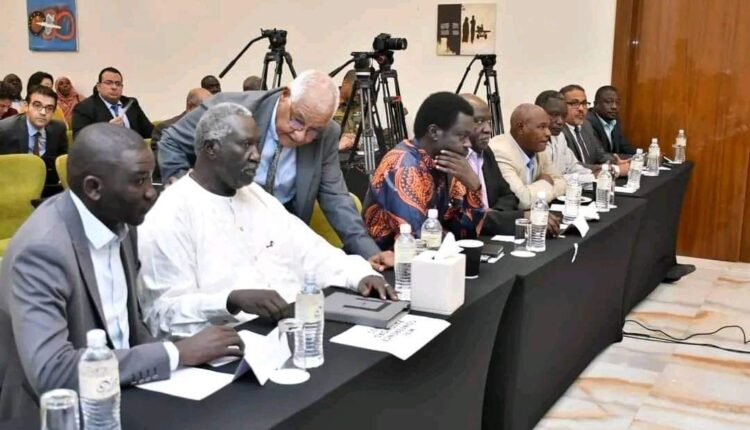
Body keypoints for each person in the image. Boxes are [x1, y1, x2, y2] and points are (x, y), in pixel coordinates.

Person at [0, 123, 245, 420]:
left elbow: (127, 328)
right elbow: (53, 373)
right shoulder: (42, 251)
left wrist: (179, 358)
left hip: (121, 392)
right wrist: (176, 353)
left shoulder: (121, 218)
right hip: (59, 415)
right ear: (93, 188)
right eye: (139, 181)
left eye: (151, 178)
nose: (151, 192)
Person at [138, 103, 396, 339]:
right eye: (245, 145)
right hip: (233, 347)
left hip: (298, 328)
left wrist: (360, 275)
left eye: (257, 145)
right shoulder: (170, 214)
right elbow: (162, 315)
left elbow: (312, 252)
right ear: (211, 149)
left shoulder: (255, 195)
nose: (256, 155)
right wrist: (230, 301)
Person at [158, 70, 392, 270]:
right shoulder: (231, 111)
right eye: (297, 121)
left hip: (278, 245)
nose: (301, 136)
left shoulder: (327, 133)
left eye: (313, 131)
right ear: (285, 95)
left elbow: (335, 196)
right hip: (219, 234)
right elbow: (171, 141)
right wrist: (186, 193)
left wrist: (369, 252)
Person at [364, 92, 485, 249]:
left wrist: (474, 186)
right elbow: (418, 239)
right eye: (462, 136)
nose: (468, 144)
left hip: (434, 258)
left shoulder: (446, 161)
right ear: (434, 132)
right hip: (390, 259)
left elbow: (466, 233)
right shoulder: (403, 166)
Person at [460, 94, 530, 236]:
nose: (488, 129)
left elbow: (508, 196)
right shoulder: (446, 160)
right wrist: (519, 218)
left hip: (491, 234)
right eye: (479, 121)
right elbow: (460, 218)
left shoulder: (486, 152)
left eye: (489, 122)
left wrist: (495, 216)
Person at [488, 104, 566, 210]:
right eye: (541, 127)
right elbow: (521, 200)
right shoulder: (501, 151)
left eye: (547, 127)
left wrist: (532, 192)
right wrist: (546, 182)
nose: (548, 133)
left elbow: (562, 182)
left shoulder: (539, 149)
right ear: (521, 128)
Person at [0, 85, 68, 188]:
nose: (43, 112)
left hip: (49, 187)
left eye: (49, 108)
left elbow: (63, 160)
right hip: (14, 186)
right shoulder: (5, 129)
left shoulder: (58, 128)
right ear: (26, 106)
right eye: (37, 105)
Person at [559, 84, 629, 177]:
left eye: (584, 103)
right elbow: (573, 166)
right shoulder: (559, 132)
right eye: (574, 104)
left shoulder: (586, 125)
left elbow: (600, 153)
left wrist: (615, 161)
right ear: (561, 106)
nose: (581, 109)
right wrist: (610, 169)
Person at [72, 67, 154, 139]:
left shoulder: (131, 103)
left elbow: (150, 131)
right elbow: (80, 139)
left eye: (118, 84)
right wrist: (106, 130)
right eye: (108, 83)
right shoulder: (84, 107)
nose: (114, 87)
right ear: (98, 87)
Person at [535, 90, 595, 180]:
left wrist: (593, 172)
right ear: (539, 112)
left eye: (563, 116)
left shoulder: (560, 136)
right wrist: (591, 177)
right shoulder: (533, 141)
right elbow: (551, 179)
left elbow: (572, 166)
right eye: (554, 115)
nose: (560, 121)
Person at [588, 85, 636, 155]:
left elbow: (624, 146)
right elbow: (599, 154)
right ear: (596, 104)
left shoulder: (615, 119)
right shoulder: (588, 123)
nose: (614, 107)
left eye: (617, 102)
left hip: (612, 160)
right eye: (608, 102)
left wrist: (643, 155)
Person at [333, 70, 360, 151]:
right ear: (345, 83)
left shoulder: (361, 105)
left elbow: (369, 131)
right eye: (355, 88)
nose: (357, 92)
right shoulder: (329, 104)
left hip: (357, 153)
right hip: (336, 152)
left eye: (359, 89)